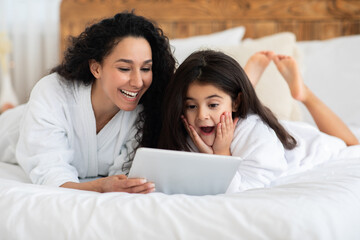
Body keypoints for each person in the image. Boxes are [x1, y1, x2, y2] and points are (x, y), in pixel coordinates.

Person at [0, 11, 175, 193]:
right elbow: (50, 175)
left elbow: (126, 179)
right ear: (96, 68)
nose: (138, 82)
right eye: (124, 68)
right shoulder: (53, 93)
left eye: (146, 68)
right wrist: (101, 186)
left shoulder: (147, 111)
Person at [158, 50, 359, 192]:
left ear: (236, 102)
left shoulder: (257, 136)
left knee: (352, 145)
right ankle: (242, 86)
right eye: (191, 106)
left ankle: (302, 93)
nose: (201, 116)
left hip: (304, 145)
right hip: (267, 125)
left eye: (212, 105)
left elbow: (245, 191)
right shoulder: (186, 128)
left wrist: (221, 155)